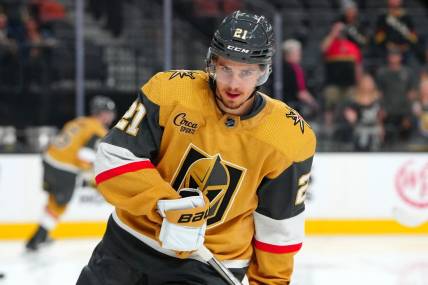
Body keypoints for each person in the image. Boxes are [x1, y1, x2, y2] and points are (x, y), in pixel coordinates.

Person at [77, 11, 316, 285]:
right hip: (129, 244)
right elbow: (114, 159)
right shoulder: (169, 91)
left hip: (210, 265)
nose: (234, 84)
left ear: (263, 71)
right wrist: (168, 205)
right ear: (212, 63)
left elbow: (279, 226)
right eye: (226, 68)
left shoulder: (288, 137)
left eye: (246, 72)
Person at [25, 96, 116, 251]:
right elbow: (85, 157)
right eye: (110, 112)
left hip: (49, 161)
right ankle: (36, 240)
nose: (112, 116)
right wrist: (92, 177)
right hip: (64, 169)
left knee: (54, 202)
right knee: (59, 206)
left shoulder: (78, 121)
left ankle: (41, 236)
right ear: (103, 114)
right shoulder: (98, 130)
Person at [281, 39, 319, 118]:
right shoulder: (295, 69)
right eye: (298, 52)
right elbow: (301, 93)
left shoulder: (278, 68)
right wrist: (313, 103)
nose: (300, 54)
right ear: (289, 54)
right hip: (292, 107)